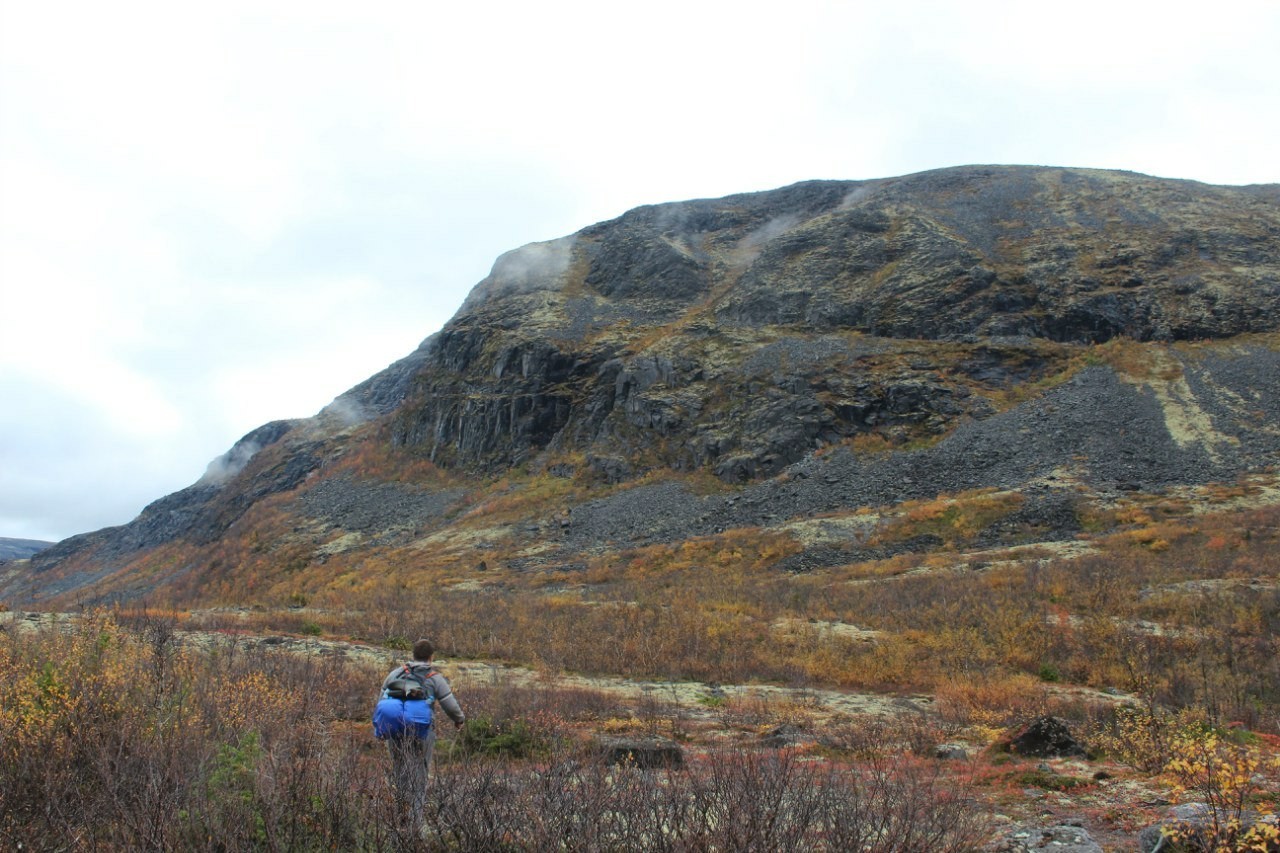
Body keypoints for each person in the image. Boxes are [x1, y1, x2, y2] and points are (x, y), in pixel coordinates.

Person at [380, 638, 465, 832]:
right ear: (431, 657)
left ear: (413, 655)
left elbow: (381, 701)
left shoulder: (395, 674)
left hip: (395, 732)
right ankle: (415, 824)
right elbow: (450, 705)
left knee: (400, 772)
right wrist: (459, 720)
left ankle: (400, 817)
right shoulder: (434, 678)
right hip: (422, 733)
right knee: (419, 776)